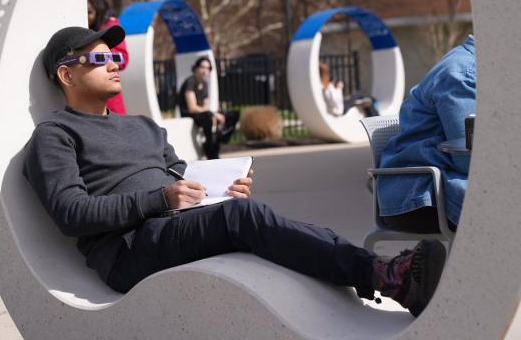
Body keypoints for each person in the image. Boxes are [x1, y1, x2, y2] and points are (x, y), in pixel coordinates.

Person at [23, 25, 447, 317]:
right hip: (130, 250)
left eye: (115, 54)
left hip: (177, 224)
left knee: (250, 210)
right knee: (243, 218)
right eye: (99, 57)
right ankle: (384, 275)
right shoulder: (55, 134)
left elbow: (180, 176)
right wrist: (159, 200)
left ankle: (379, 271)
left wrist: (220, 189)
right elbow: (70, 212)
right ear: (66, 73)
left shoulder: (143, 125)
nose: (114, 63)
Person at [377, 35, 476, 233]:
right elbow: (471, 161)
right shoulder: (463, 74)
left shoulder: (474, 66)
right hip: (422, 196)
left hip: (437, 184)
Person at [178, 57, 239, 159]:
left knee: (234, 114)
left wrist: (213, 115)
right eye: (202, 67)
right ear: (196, 68)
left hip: (203, 114)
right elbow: (192, 107)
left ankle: (220, 138)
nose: (205, 70)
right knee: (208, 116)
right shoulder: (190, 81)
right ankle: (210, 149)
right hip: (190, 114)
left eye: (208, 68)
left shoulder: (205, 84)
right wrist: (213, 115)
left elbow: (206, 106)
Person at [86, 0, 129, 115]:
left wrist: (96, 57)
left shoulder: (110, 27)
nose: (86, 16)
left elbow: (123, 58)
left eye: (89, 12)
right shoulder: (83, 29)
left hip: (109, 96)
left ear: (98, 9)